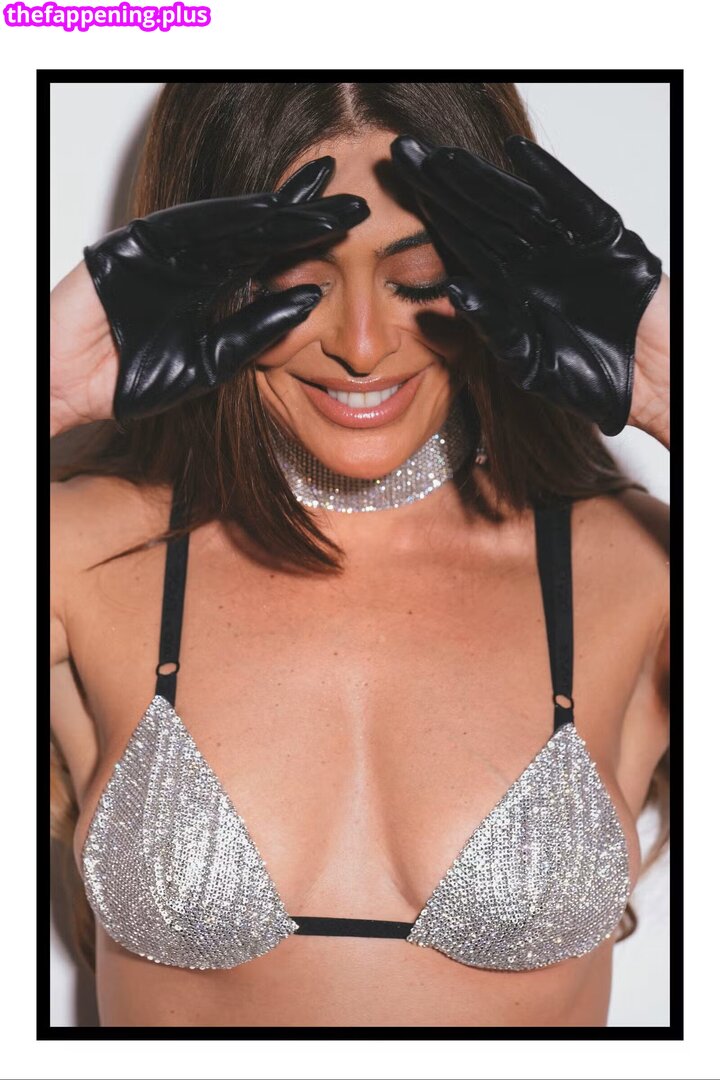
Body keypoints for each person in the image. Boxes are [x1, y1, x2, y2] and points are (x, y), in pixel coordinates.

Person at [50, 82, 670, 1029]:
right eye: (293, 286)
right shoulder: (82, 556)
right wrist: (38, 388)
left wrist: (685, 388)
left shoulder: (637, 570)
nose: (363, 347)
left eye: (419, 279)